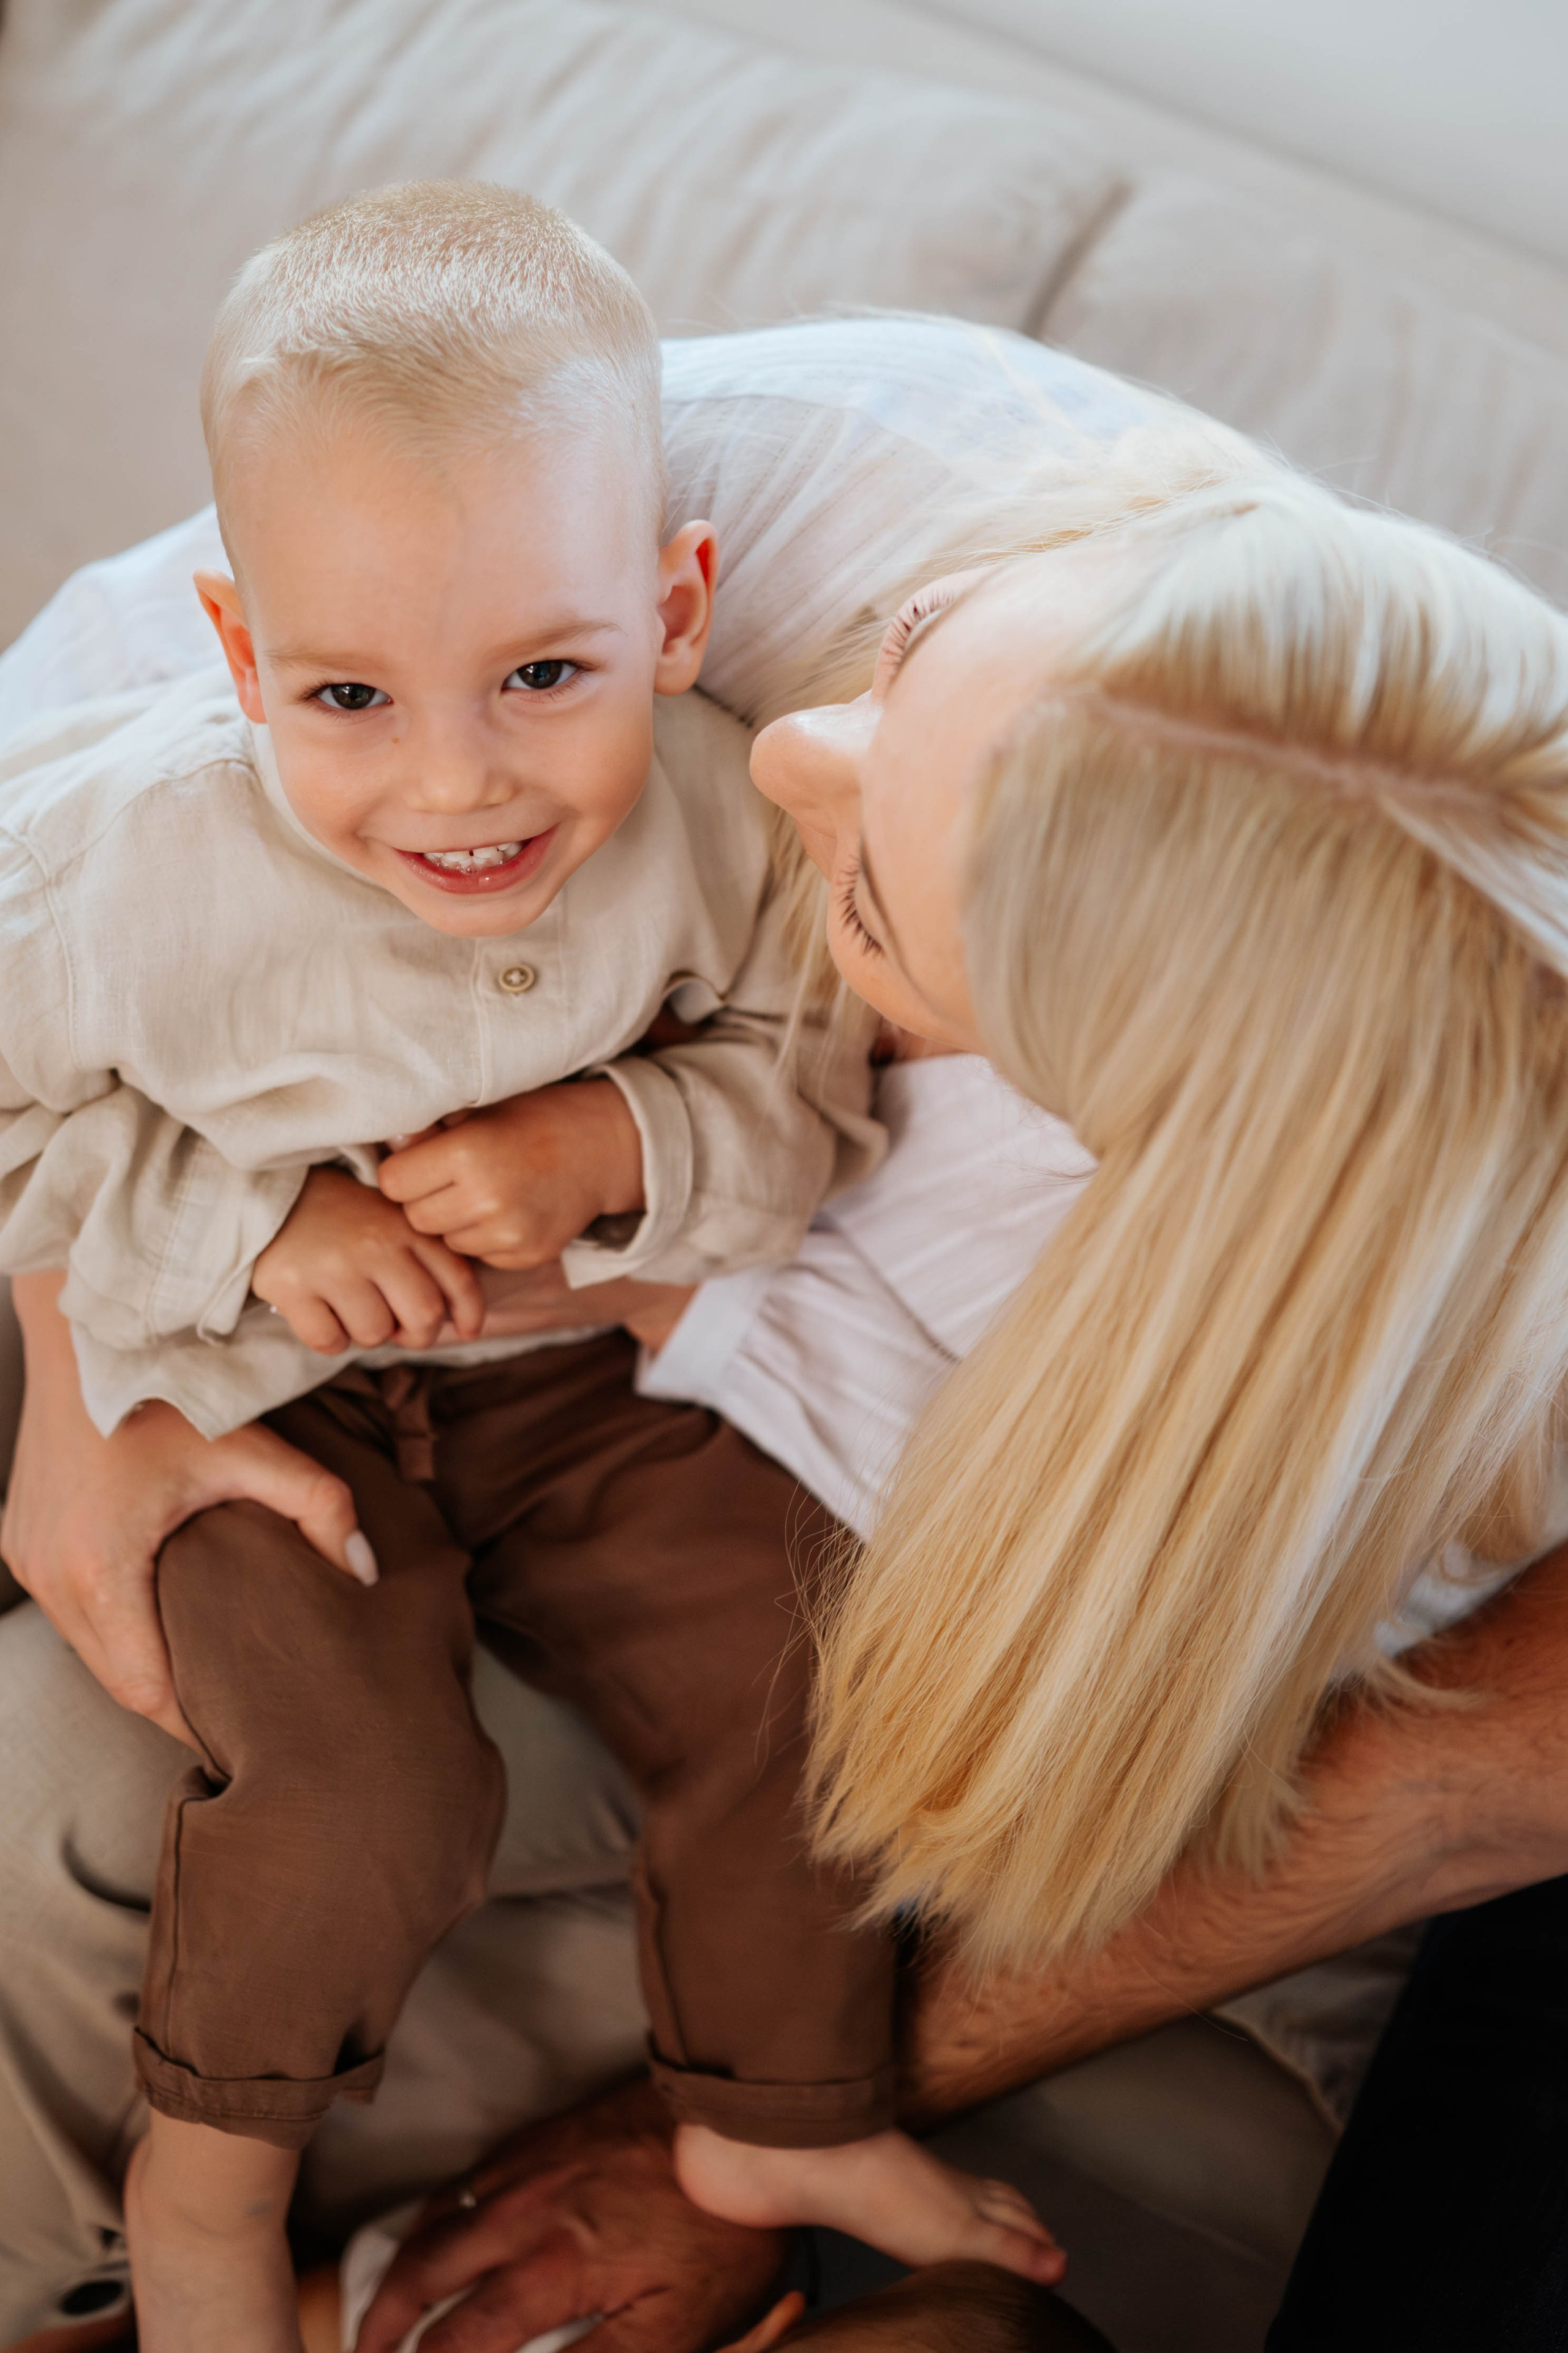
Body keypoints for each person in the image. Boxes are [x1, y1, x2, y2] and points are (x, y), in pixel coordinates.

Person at [6, 314, 1568, 2353]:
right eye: (920, 649)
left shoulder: (1317, 1367)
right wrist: (72, 1381)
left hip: (625, 1420)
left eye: (868, 903)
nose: (777, 753)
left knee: (111, 1803)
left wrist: (638, 1184)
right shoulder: (826, 466)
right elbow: (70, 798)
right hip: (148, 1194)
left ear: (1079, 1109)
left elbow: (879, 1527)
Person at [0, 202, 1059, 2352]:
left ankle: (775, 2105)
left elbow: (802, 1106)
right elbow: (24, 1132)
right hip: (250, 1375)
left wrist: (616, 1143)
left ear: (673, 610)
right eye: (351, 695)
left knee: (814, 1657)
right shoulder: (137, 865)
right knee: (360, 1781)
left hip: (575, 1369)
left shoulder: (736, 817)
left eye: (543, 673)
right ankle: (208, 2191)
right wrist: (258, 1223)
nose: (458, 779)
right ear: (238, 655)